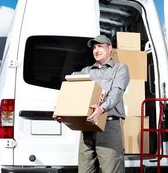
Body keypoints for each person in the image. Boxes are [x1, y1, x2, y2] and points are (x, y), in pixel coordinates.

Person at [53, 35, 130, 173]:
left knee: (112, 169)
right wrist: (60, 110)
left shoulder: (120, 69)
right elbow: (72, 94)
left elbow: (116, 93)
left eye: (100, 46)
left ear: (110, 48)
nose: (96, 50)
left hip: (108, 126)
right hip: (87, 127)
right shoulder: (85, 71)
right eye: (94, 47)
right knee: (85, 170)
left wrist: (101, 109)